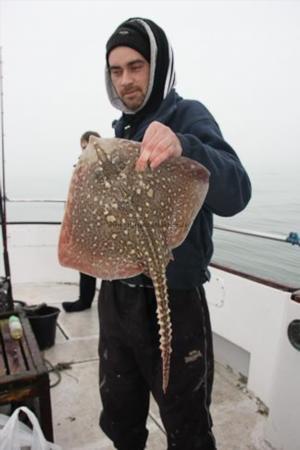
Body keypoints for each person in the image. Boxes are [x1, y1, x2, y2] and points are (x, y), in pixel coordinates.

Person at [98, 18, 251, 450]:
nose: (125, 80)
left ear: (159, 65)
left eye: (136, 66)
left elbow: (237, 191)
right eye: (116, 70)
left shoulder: (188, 114)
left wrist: (185, 145)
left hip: (175, 296)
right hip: (117, 299)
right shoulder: (119, 131)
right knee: (120, 413)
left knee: (186, 426)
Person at [62, 131, 100, 313]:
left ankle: (87, 301)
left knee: (96, 263)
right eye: (83, 147)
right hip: (83, 222)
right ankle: (84, 300)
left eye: (89, 146)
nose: (86, 150)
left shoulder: (103, 165)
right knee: (84, 263)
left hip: (100, 223)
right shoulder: (81, 164)